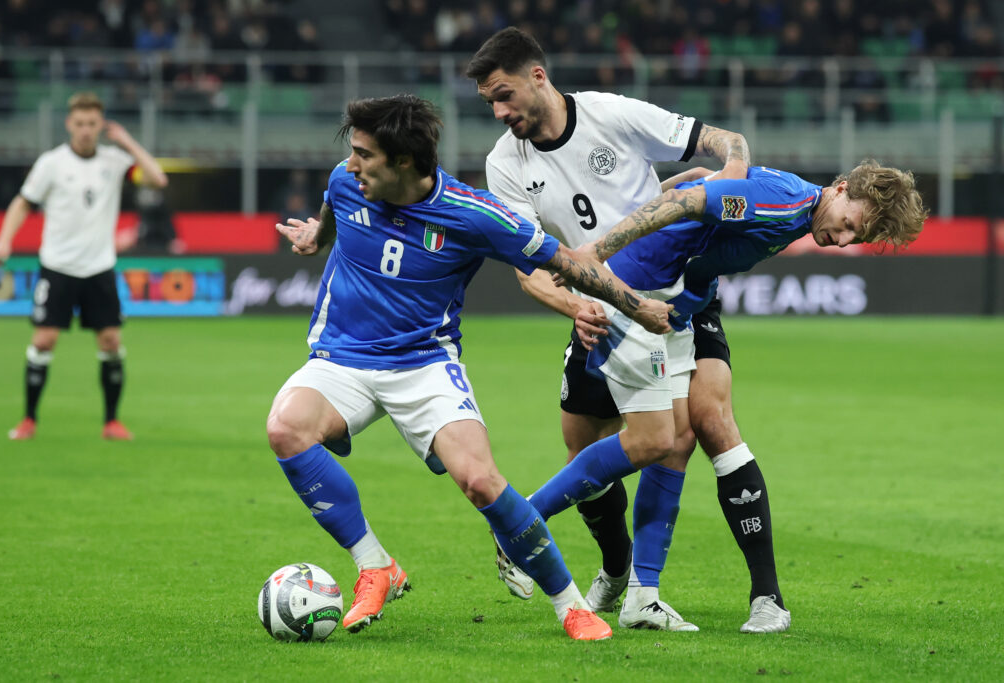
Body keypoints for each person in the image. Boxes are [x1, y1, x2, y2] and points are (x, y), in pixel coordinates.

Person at [266, 94, 677, 641]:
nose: (353, 165)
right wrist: (317, 238)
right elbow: (332, 209)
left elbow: (562, 262)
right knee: (285, 429)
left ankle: (571, 605)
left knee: (482, 482)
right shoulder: (347, 181)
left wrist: (636, 305)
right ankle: (376, 565)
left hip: (423, 365)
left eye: (366, 155)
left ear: (406, 162)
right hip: (342, 356)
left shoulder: (474, 215)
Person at [540, 160, 926, 634]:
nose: (843, 241)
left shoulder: (799, 210)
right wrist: (595, 251)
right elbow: (693, 200)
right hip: (643, 288)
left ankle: (749, 597)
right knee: (595, 439)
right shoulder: (783, 203)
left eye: (856, 238)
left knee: (699, 425)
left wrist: (698, 180)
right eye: (848, 224)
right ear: (841, 187)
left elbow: (701, 184)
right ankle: (594, 556)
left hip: (687, 301)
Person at [466, 27, 758, 632]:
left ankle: (650, 590)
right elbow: (531, 270)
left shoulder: (611, 113)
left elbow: (723, 139)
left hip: (672, 298)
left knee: (677, 432)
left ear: (537, 77)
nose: (499, 112)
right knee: (581, 439)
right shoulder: (504, 163)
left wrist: (733, 167)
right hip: (598, 312)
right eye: (490, 103)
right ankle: (619, 569)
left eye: (504, 96)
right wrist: (579, 309)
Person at [0, 91, 168, 441]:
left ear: (101, 125)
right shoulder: (51, 163)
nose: (86, 130)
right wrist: (4, 240)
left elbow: (158, 179)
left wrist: (127, 141)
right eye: (80, 123)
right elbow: (23, 204)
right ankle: (28, 419)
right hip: (57, 266)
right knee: (43, 340)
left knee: (111, 341)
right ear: (70, 124)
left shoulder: (115, 161)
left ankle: (111, 422)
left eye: (92, 123)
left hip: (99, 267)